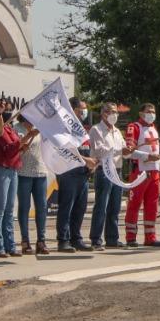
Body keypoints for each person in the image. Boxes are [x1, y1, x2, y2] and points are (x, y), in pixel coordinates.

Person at [55, 97, 97, 252]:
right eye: (81, 109)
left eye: (85, 109)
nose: (84, 112)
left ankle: (76, 238)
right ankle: (63, 240)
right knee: (67, 207)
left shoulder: (82, 128)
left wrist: (92, 163)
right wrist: (86, 160)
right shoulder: (65, 127)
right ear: (72, 110)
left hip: (83, 173)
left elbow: (86, 148)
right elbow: (65, 149)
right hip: (69, 172)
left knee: (80, 208)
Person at [89, 102, 133, 251]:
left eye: (116, 112)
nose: (115, 114)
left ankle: (112, 238)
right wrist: (120, 149)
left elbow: (122, 151)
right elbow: (101, 151)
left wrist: (127, 151)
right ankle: (96, 239)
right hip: (104, 171)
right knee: (101, 206)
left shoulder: (117, 131)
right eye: (111, 111)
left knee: (115, 207)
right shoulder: (96, 130)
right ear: (104, 113)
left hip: (117, 171)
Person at [0, 100, 24, 258]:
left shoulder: (11, 128)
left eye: (10, 110)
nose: (9, 112)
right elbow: (7, 146)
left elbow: (16, 150)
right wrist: (26, 138)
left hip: (13, 169)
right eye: (5, 110)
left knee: (9, 210)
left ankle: (10, 245)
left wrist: (22, 146)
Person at [125, 103, 160, 248]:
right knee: (134, 205)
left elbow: (156, 152)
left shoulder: (154, 128)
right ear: (141, 113)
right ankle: (130, 237)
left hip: (154, 172)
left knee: (152, 206)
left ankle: (150, 237)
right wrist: (146, 156)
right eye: (148, 111)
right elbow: (128, 151)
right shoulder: (134, 127)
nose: (151, 114)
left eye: (153, 111)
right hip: (140, 172)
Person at [15, 117, 49, 255]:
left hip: (41, 172)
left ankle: (41, 240)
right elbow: (15, 146)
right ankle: (25, 240)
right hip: (23, 173)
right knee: (24, 207)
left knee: (41, 207)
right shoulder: (16, 128)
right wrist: (30, 135)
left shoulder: (41, 127)